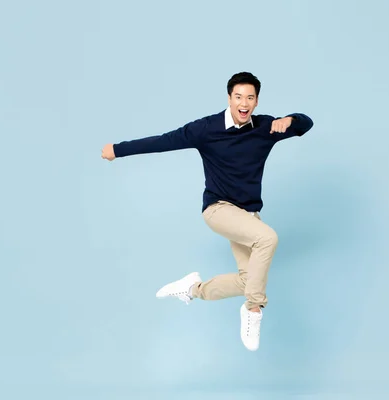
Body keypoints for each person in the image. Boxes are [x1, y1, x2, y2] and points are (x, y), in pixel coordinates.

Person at [101, 72, 314, 351]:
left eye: (250, 97)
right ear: (229, 98)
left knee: (248, 279)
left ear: (256, 101)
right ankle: (253, 311)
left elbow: (305, 124)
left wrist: (292, 119)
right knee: (268, 239)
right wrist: (117, 149)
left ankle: (192, 289)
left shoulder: (265, 127)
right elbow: (164, 141)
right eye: (238, 97)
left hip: (247, 215)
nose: (244, 103)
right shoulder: (206, 129)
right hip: (219, 209)